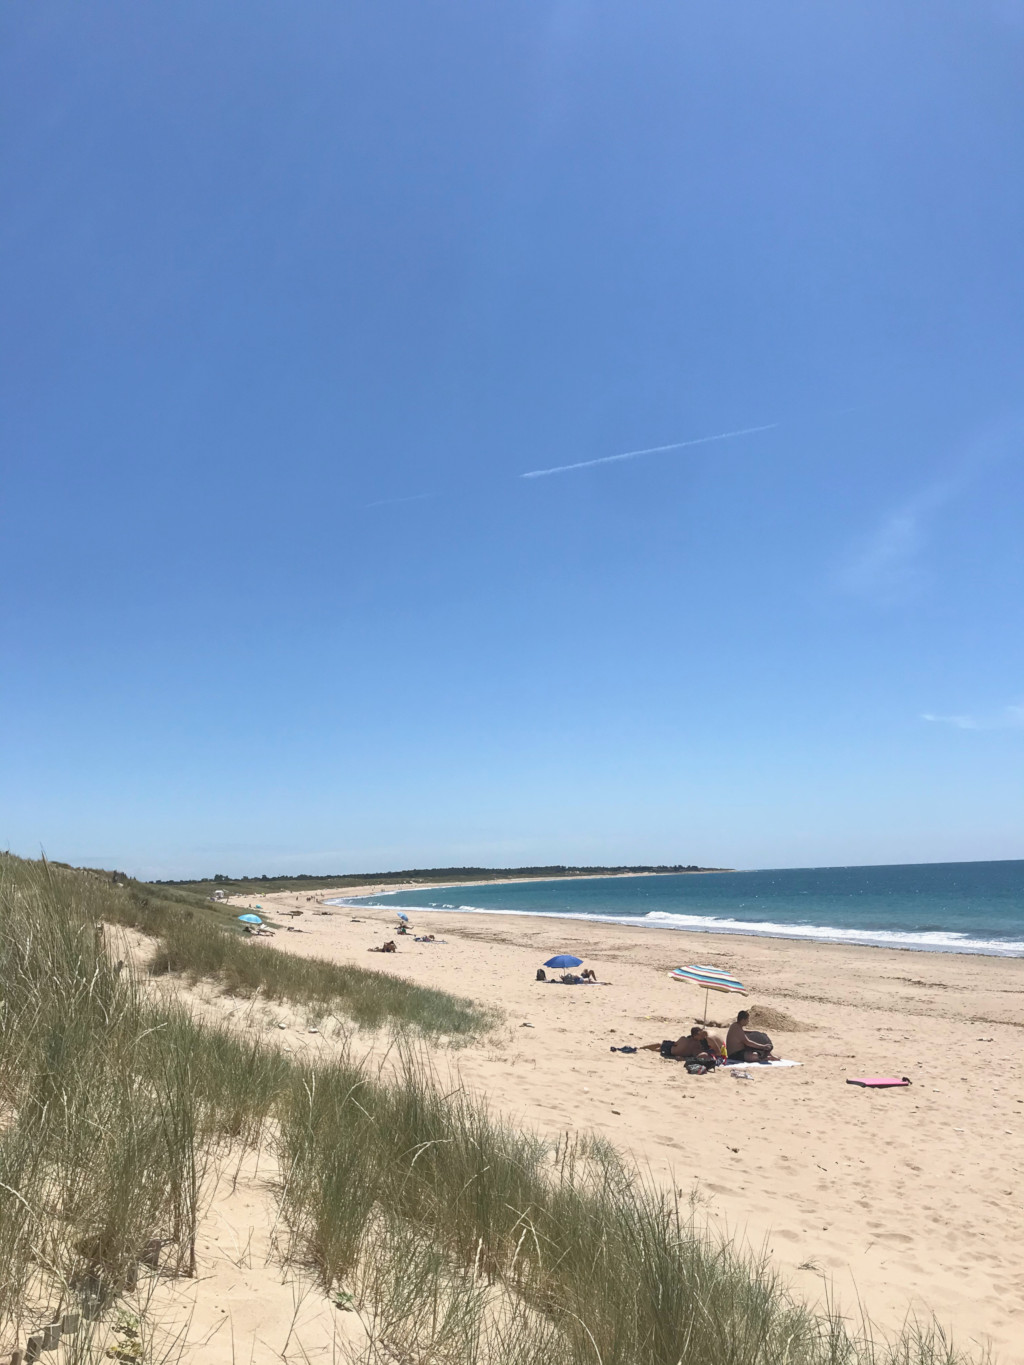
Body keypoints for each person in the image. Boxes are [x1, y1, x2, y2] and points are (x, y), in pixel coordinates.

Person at [641, 1027, 718, 1064]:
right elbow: (676, 1044)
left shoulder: (694, 1044)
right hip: (671, 1050)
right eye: (699, 1035)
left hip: (671, 1052)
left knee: (659, 1048)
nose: (701, 1037)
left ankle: (642, 1048)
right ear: (695, 1035)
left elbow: (695, 1056)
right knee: (659, 1046)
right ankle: (641, 1048)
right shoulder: (685, 1039)